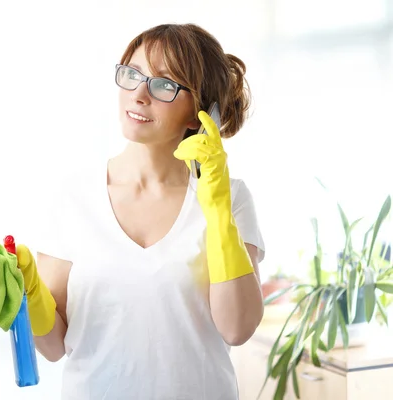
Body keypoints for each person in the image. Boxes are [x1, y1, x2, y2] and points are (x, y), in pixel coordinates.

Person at [14, 23, 266, 399]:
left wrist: (217, 213)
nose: (139, 94)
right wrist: (27, 292)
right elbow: (54, 347)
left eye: (164, 84)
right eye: (133, 74)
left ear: (201, 113)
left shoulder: (229, 197)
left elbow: (237, 328)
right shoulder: (75, 199)